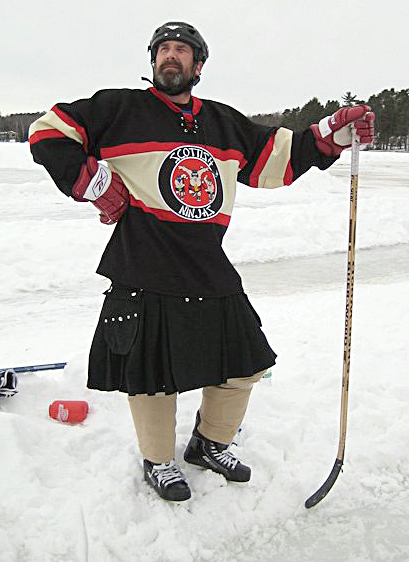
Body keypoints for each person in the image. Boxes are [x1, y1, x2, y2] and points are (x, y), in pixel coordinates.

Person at [29, 22, 374, 502]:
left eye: (182, 51)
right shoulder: (119, 108)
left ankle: (209, 444)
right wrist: (92, 180)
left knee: (244, 364)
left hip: (208, 262)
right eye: (163, 50)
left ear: (198, 65)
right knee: (151, 376)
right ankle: (158, 462)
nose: (171, 57)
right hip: (143, 261)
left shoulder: (224, 122)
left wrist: (328, 135)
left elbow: (279, 160)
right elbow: (47, 131)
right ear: (153, 61)